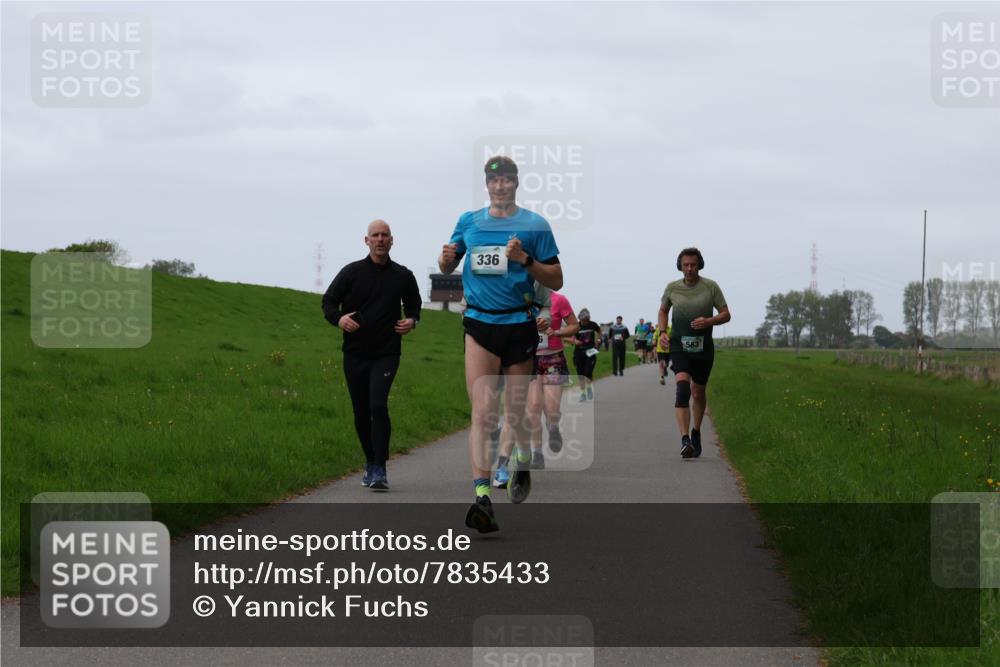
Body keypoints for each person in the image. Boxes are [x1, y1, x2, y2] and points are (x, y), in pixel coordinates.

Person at [439, 155, 562, 533]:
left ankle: (521, 462)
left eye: (507, 180)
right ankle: (481, 498)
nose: (500, 186)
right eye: (494, 181)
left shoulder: (535, 225)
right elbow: (448, 265)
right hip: (478, 323)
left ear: (516, 183)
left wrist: (525, 259)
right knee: (483, 412)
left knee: (517, 411)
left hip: (518, 325)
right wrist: (444, 261)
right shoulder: (469, 221)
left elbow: (556, 279)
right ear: (487, 185)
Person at [322, 220, 421, 490]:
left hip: (387, 352)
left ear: (392, 240)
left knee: (378, 405)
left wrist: (412, 321)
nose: (380, 239)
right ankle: (370, 461)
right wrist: (339, 319)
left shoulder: (403, 275)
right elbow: (328, 302)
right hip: (355, 352)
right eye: (375, 235)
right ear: (366, 241)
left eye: (384, 235)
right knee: (361, 410)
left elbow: (415, 306)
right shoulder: (352, 272)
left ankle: (380, 467)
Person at [494, 290, 577, 486]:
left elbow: (574, 326)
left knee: (552, 408)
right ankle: (537, 452)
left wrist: (556, 332)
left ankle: (553, 426)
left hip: (553, 358)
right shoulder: (519, 295)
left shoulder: (559, 300)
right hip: (528, 357)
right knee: (533, 408)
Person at [658, 247, 730, 458]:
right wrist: (662, 331)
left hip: (703, 348)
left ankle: (696, 431)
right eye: (685, 265)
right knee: (682, 390)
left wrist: (710, 321)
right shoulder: (672, 288)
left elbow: (726, 314)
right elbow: (663, 310)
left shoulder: (710, 287)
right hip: (679, 344)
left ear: (699, 265)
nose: (689, 269)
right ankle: (684, 440)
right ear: (680, 266)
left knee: (698, 392)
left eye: (693, 265)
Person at [570, 308, 602, 401]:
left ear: (588, 319)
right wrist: (575, 341)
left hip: (590, 352)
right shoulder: (576, 326)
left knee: (588, 373)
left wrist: (598, 340)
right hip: (578, 353)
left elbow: (599, 331)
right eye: (582, 320)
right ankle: (583, 394)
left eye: (585, 321)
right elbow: (569, 337)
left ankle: (588, 389)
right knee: (580, 375)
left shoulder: (593, 324)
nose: (583, 322)